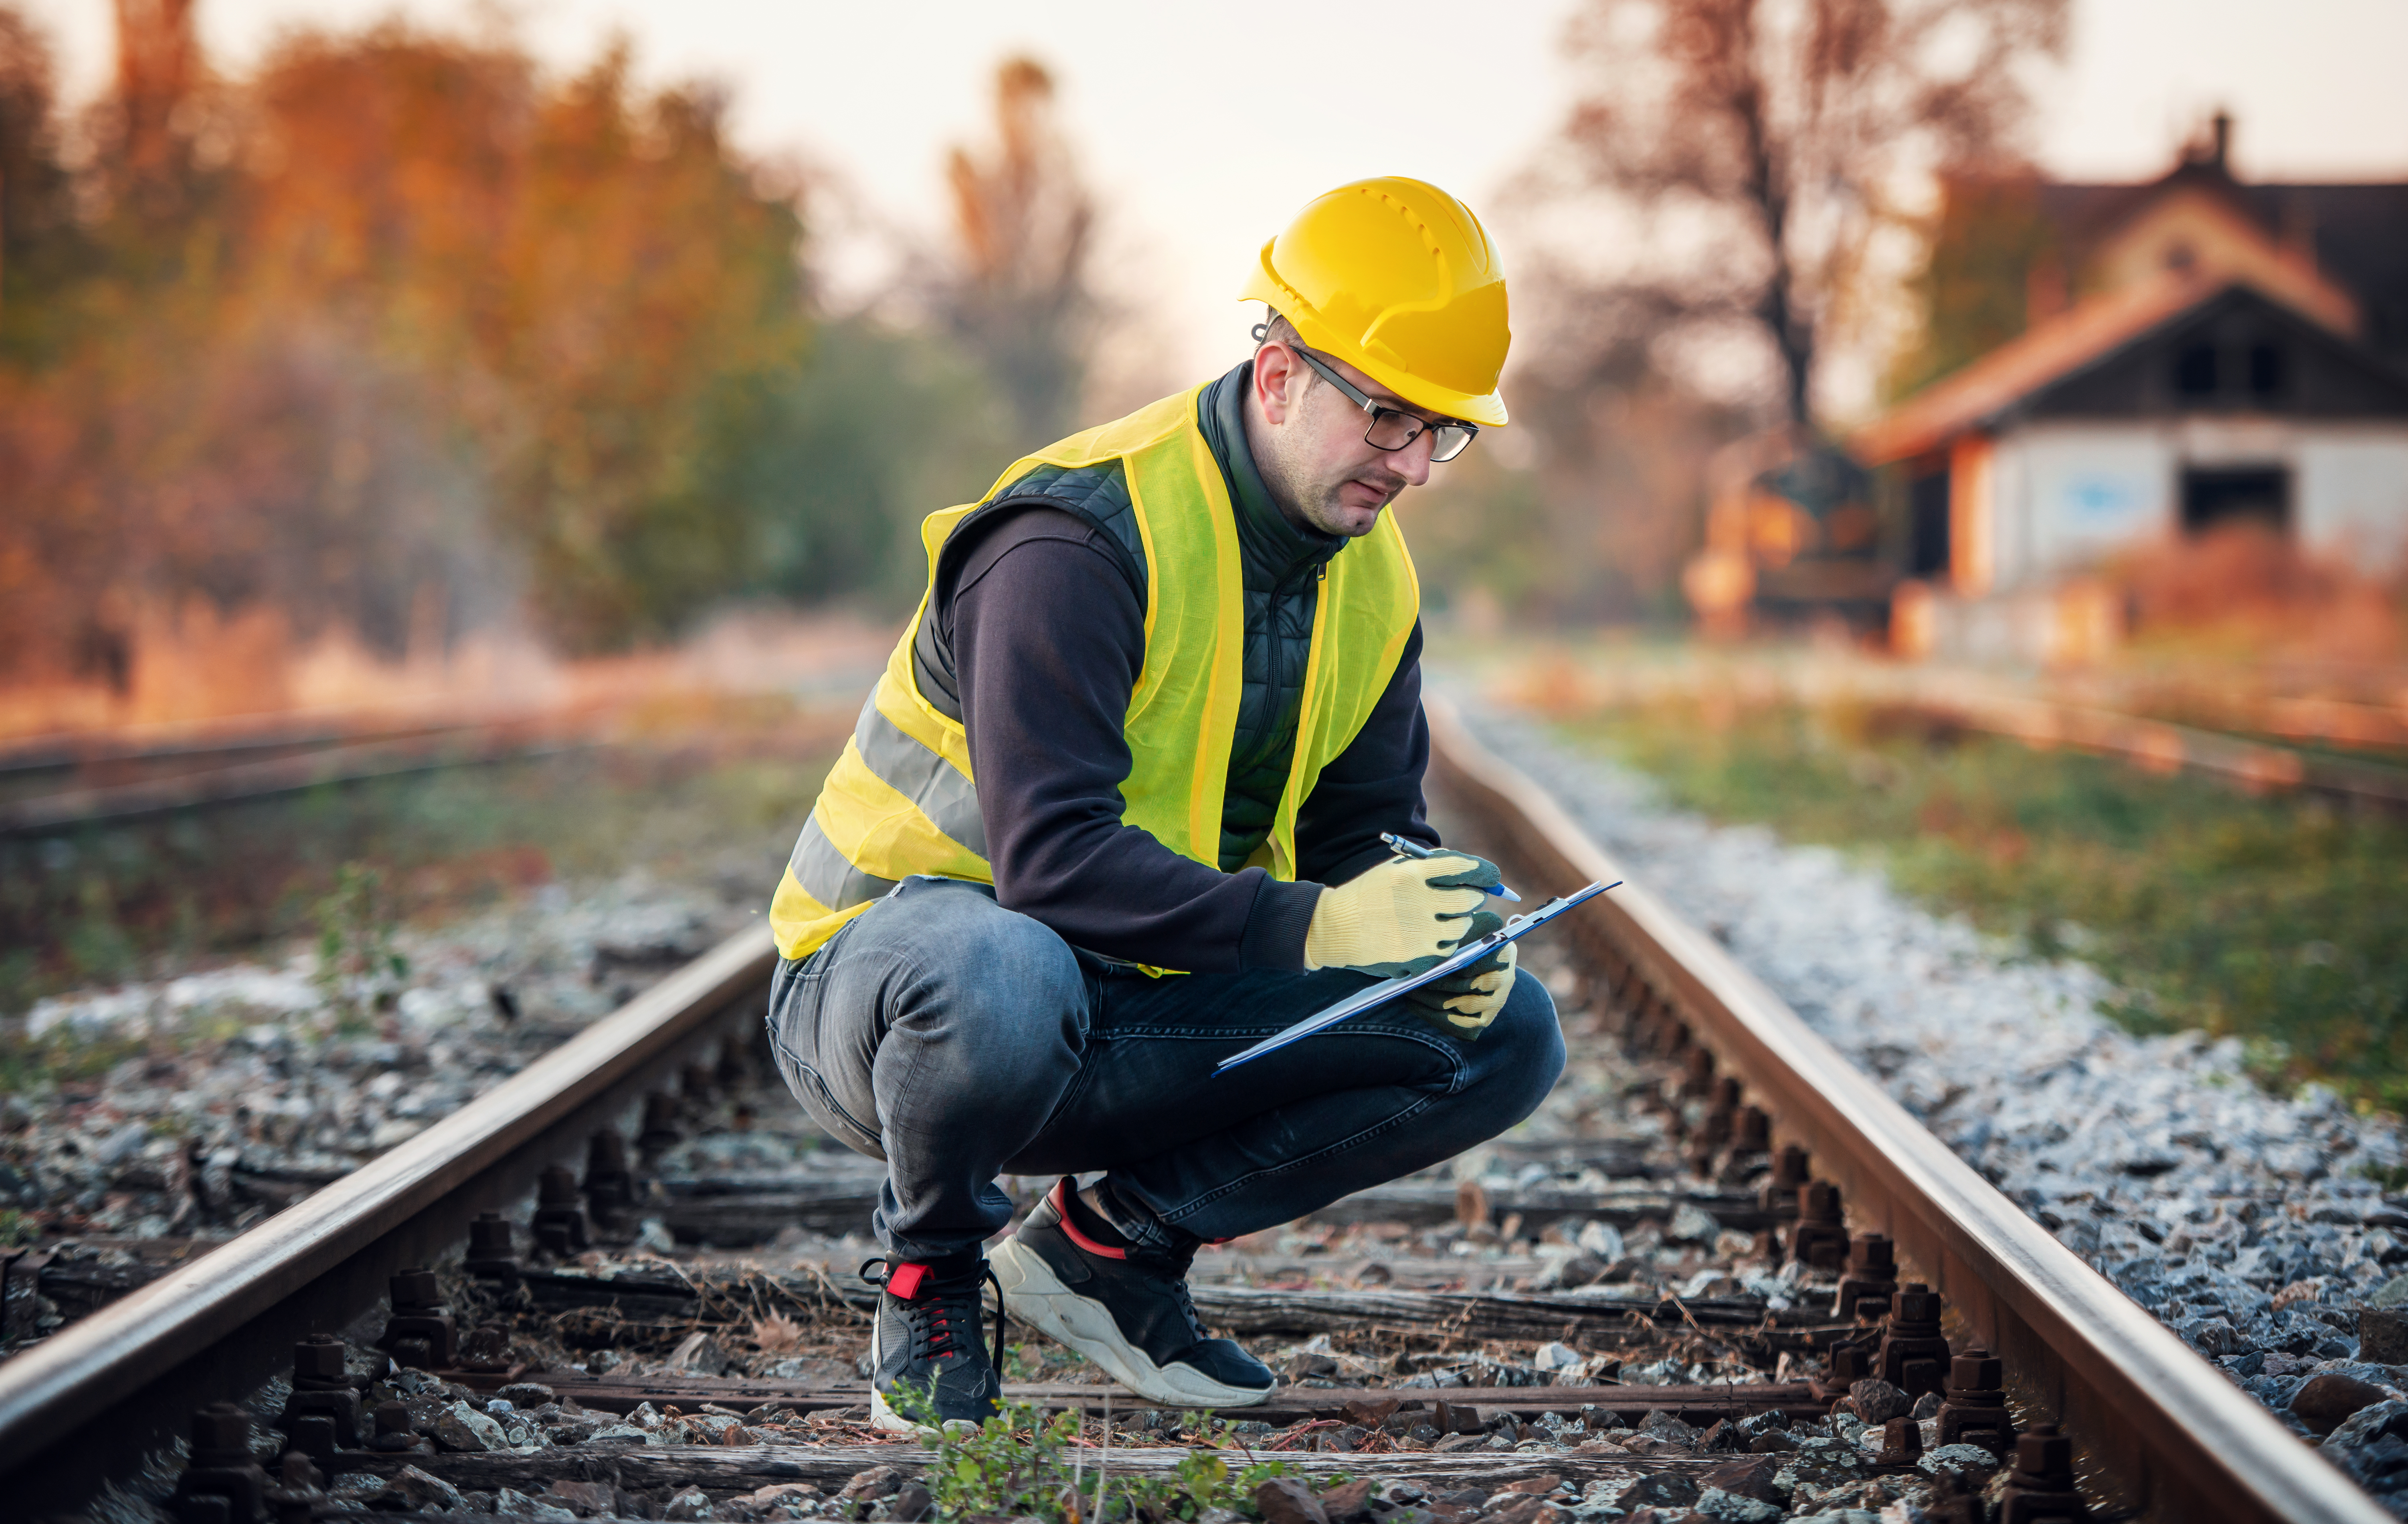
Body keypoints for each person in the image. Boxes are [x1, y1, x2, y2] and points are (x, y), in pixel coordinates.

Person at [762, 176, 1565, 1429]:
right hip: (896, 1002)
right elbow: (1048, 862)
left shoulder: (1371, 573)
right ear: (1281, 370)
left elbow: (1366, 832)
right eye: (1390, 417)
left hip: (1125, 1000)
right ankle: (932, 1270)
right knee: (1004, 969)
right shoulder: (1074, 541)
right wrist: (1319, 931)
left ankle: (1105, 1252)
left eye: (1443, 433)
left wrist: (1436, 924)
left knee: (1507, 1032)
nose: (1412, 465)